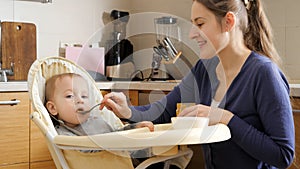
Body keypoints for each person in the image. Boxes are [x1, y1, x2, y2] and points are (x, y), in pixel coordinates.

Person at [100, 0, 295, 168]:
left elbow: (282, 155)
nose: (192, 34)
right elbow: (165, 110)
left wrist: (225, 118)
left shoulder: (263, 73)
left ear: (228, 22)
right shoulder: (204, 69)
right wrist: (128, 111)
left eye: (200, 24)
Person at [44, 73, 154, 137]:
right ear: (53, 108)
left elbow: (116, 135)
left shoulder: (98, 122)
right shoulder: (63, 136)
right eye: (70, 96)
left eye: (84, 96)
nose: (80, 100)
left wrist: (134, 128)